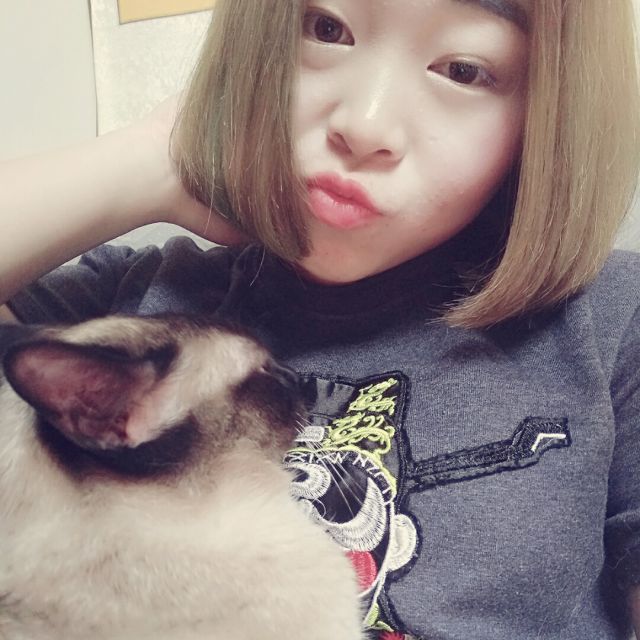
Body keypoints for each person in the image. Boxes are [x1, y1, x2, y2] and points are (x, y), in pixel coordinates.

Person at [1, 0, 640, 637]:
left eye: (463, 70)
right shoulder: (133, 309)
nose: (363, 124)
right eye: (327, 28)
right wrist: (153, 159)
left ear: (549, 113)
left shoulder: (613, 317)